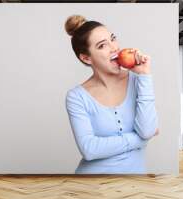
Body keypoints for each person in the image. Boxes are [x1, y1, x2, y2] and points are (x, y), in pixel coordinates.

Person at [64, 15, 159, 174]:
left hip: (134, 187)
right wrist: (139, 140)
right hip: (91, 187)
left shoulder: (139, 81)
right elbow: (89, 149)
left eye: (113, 39)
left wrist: (144, 75)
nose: (114, 48)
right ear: (86, 58)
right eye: (102, 46)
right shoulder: (76, 96)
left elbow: (147, 130)